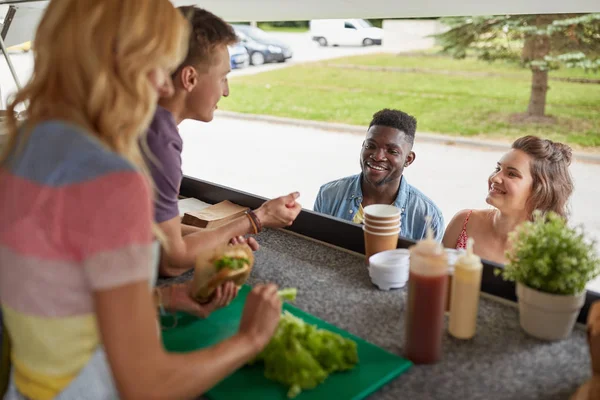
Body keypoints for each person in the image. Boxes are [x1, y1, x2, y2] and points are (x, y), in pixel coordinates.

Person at [0, 1, 282, 399]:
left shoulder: (20, 146)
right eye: (156, 65)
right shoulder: (113, 181)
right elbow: (146, 384)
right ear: (118, 64)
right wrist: (250, 338)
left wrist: (164, 297)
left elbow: (56, 294)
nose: (165, 87)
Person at [144, 6, 302, 277]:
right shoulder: (159, 141)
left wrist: (220, 238)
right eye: (222, 77)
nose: (226, 91)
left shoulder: (141, 118)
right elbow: (172, 260)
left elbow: (152, 228)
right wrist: (256, 219)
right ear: (190, 78)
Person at [314, 108, 444, 241]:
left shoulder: (428, 217)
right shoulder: (329, 195)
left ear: (408, 159)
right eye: (371, 146)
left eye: (392, 151)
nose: (377, 156)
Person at [442, 135, 574, 264]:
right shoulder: (464, 221)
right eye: (498, 169)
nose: (495, 178)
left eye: (511, 174)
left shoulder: (548, 250)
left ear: (540, 189)